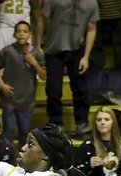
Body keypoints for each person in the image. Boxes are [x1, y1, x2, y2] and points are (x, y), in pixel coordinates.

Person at [40, 0, 99, 138]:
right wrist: (38, 44)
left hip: (77, 49)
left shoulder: (91, 3)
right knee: (53, 90)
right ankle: (56, 125)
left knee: (81, 89)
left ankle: (82, 125)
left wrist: (86, 56)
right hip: (53, 50)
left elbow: (92, 28)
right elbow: (42, 19)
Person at [0, 20, 46, 149]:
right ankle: (8, 162)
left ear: (30, 35)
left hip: (27, 101)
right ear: (14, 35)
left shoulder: (36, 53)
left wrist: (34, 63)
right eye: (18, 31)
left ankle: (24, 165)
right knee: (8, 134)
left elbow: (44, 75)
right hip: (9, 100)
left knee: (25, 134)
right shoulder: (7, 51)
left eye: (25, 31)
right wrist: (1, 84)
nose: (21, 34)